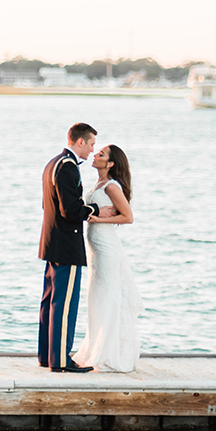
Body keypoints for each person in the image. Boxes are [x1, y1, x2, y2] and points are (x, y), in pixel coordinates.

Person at [39, 123, 101, 372]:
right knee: (64, 305)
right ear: (80, 142)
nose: (93, 149)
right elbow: (70, 210)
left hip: (52, 242)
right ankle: (61, 361)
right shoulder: (68, 166)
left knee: (50, 303)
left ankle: (47, 356)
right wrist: (95, 210)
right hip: (66, 244)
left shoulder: (53, 163)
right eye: (92, 143)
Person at [76, 144, 143, 373]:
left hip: (107, 248)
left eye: (101, 154)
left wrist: (96, 219)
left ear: (111, 163)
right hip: (96, 250)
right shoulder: (99, 183)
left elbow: (128, 217)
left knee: (109, 297)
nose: (95, 155)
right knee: (96, 298)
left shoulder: (113, 187)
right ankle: (95, 348)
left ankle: (110, 353)